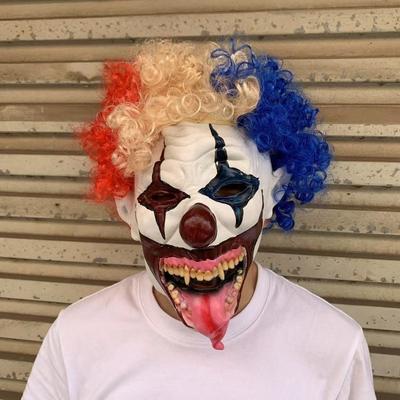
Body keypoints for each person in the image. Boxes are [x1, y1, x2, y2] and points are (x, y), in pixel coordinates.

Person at [22, 40, 376, 399]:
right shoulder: (75, 340)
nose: (198, 229)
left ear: (274, 194)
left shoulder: (333, 346)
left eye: (231, 188)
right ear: (129, 209)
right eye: (163, 196)